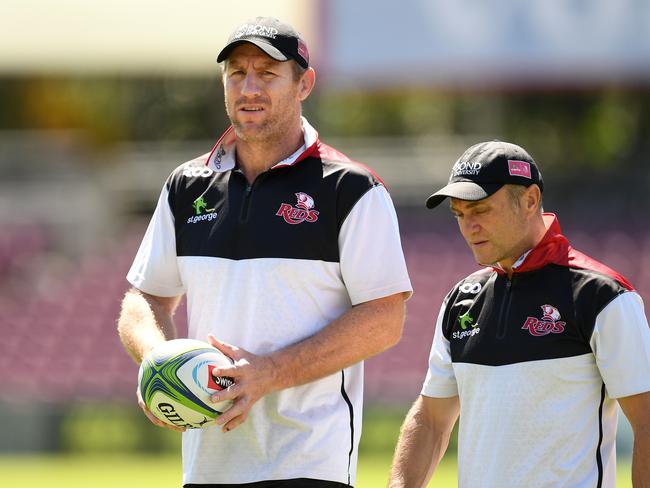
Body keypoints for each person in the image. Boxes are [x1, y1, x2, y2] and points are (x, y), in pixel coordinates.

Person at [117, 16, 412, 488]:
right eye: (237, 73)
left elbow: (384, 318)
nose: (249, 87)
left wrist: (269, 374)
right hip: (207, 467)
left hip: (309, 465)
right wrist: (160, 365)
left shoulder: (352, 189)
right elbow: (144, 300)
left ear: (304, 84)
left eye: (267, 73)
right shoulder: (184, 185)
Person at [388, 141, 650, 487]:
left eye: (480, 210)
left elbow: (646, 422)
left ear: (529, 200)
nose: (469, 227)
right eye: (459, 214)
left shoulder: (602, 296)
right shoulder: (461, 300)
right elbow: (432, 420)